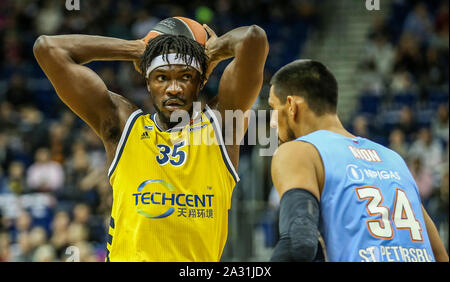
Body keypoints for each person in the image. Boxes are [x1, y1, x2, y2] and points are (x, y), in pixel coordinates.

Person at [33, 21, 269, 261]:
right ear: (147, 82)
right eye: (161, 77)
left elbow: (253, 38)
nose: (173, 88)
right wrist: (136, 49)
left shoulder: (222, 125)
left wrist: (210, 52)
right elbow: (48, 48)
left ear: (201, 82)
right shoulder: (122, 125)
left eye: (186, 77)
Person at [267, 59, 448, 262]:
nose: (272, 123)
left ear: (291, 105)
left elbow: (298, 244)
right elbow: (440, 255)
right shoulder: (393, 159)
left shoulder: (300, 151)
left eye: (273, 108)